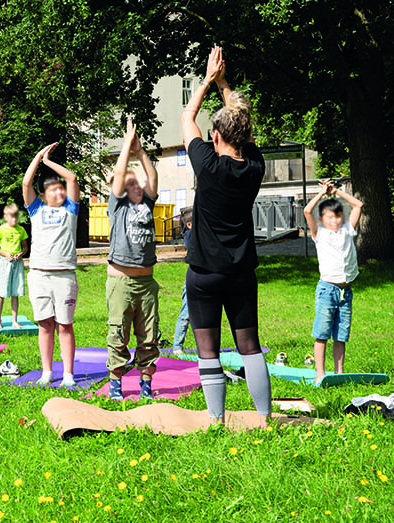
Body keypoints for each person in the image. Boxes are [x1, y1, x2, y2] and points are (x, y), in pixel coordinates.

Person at [180, 46, 271, 426]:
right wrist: (224, 84)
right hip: (241, 273)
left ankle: (216, 419)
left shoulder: (207, 165)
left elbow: (187, 117)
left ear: (214, 136)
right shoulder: (255, 166)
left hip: (204, 273)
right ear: (246, 137)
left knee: (208, 350)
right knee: (249, 346)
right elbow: (241, 122)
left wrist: (206, 81)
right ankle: (264, 417)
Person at [105, 118, 162, 400]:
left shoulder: (147, 202)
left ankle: (146, 384)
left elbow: (153, 178)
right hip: (121, 282)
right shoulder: (117, 205)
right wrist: (127, 143)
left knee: (149, 336)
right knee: (118, 333)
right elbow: (118, 173)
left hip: (146, 282)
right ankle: (116, 383)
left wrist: (140, 152)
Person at [22, 142, 80, 387]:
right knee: (45, 325)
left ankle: (68, 375)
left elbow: (72, 178)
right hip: (39, 275)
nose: (59, 193)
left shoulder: (71, 209)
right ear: (44, 195)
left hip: (64, 276)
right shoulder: (36, 210)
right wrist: (37, 157)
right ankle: (47, 372)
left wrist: (49, 162)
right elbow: (26, 183)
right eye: (53, 190)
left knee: (65, 325)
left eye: (61, 189)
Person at [302, 178, 364, 384]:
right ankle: (320, 373)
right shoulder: (319, 234)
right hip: (327, 290)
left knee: (341, 335)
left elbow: (358, 205)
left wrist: (336, 191)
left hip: (346, 291)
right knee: (322, 333)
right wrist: (322, 193)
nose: (334, 220)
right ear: (322, 219)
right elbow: (307, 211)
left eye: (337, 216)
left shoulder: (348, 230)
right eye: (329, 217)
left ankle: (339, 373)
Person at [0, 204, 29, 330]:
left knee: (15, 293)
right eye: (12, 217)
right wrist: (5, 254)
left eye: (16, 217)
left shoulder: (21, 230)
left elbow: (25, 247)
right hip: (5, 263)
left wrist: (20, 254)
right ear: (6, 217)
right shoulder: (1, 229)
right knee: (2, 292)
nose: (14, 219)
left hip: (17, 263)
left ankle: (14, 321)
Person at [172, 207, 194, 356]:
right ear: (189, 225)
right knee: (186, 314)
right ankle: (177, 347)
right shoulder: (190, 236)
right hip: (193, 278)